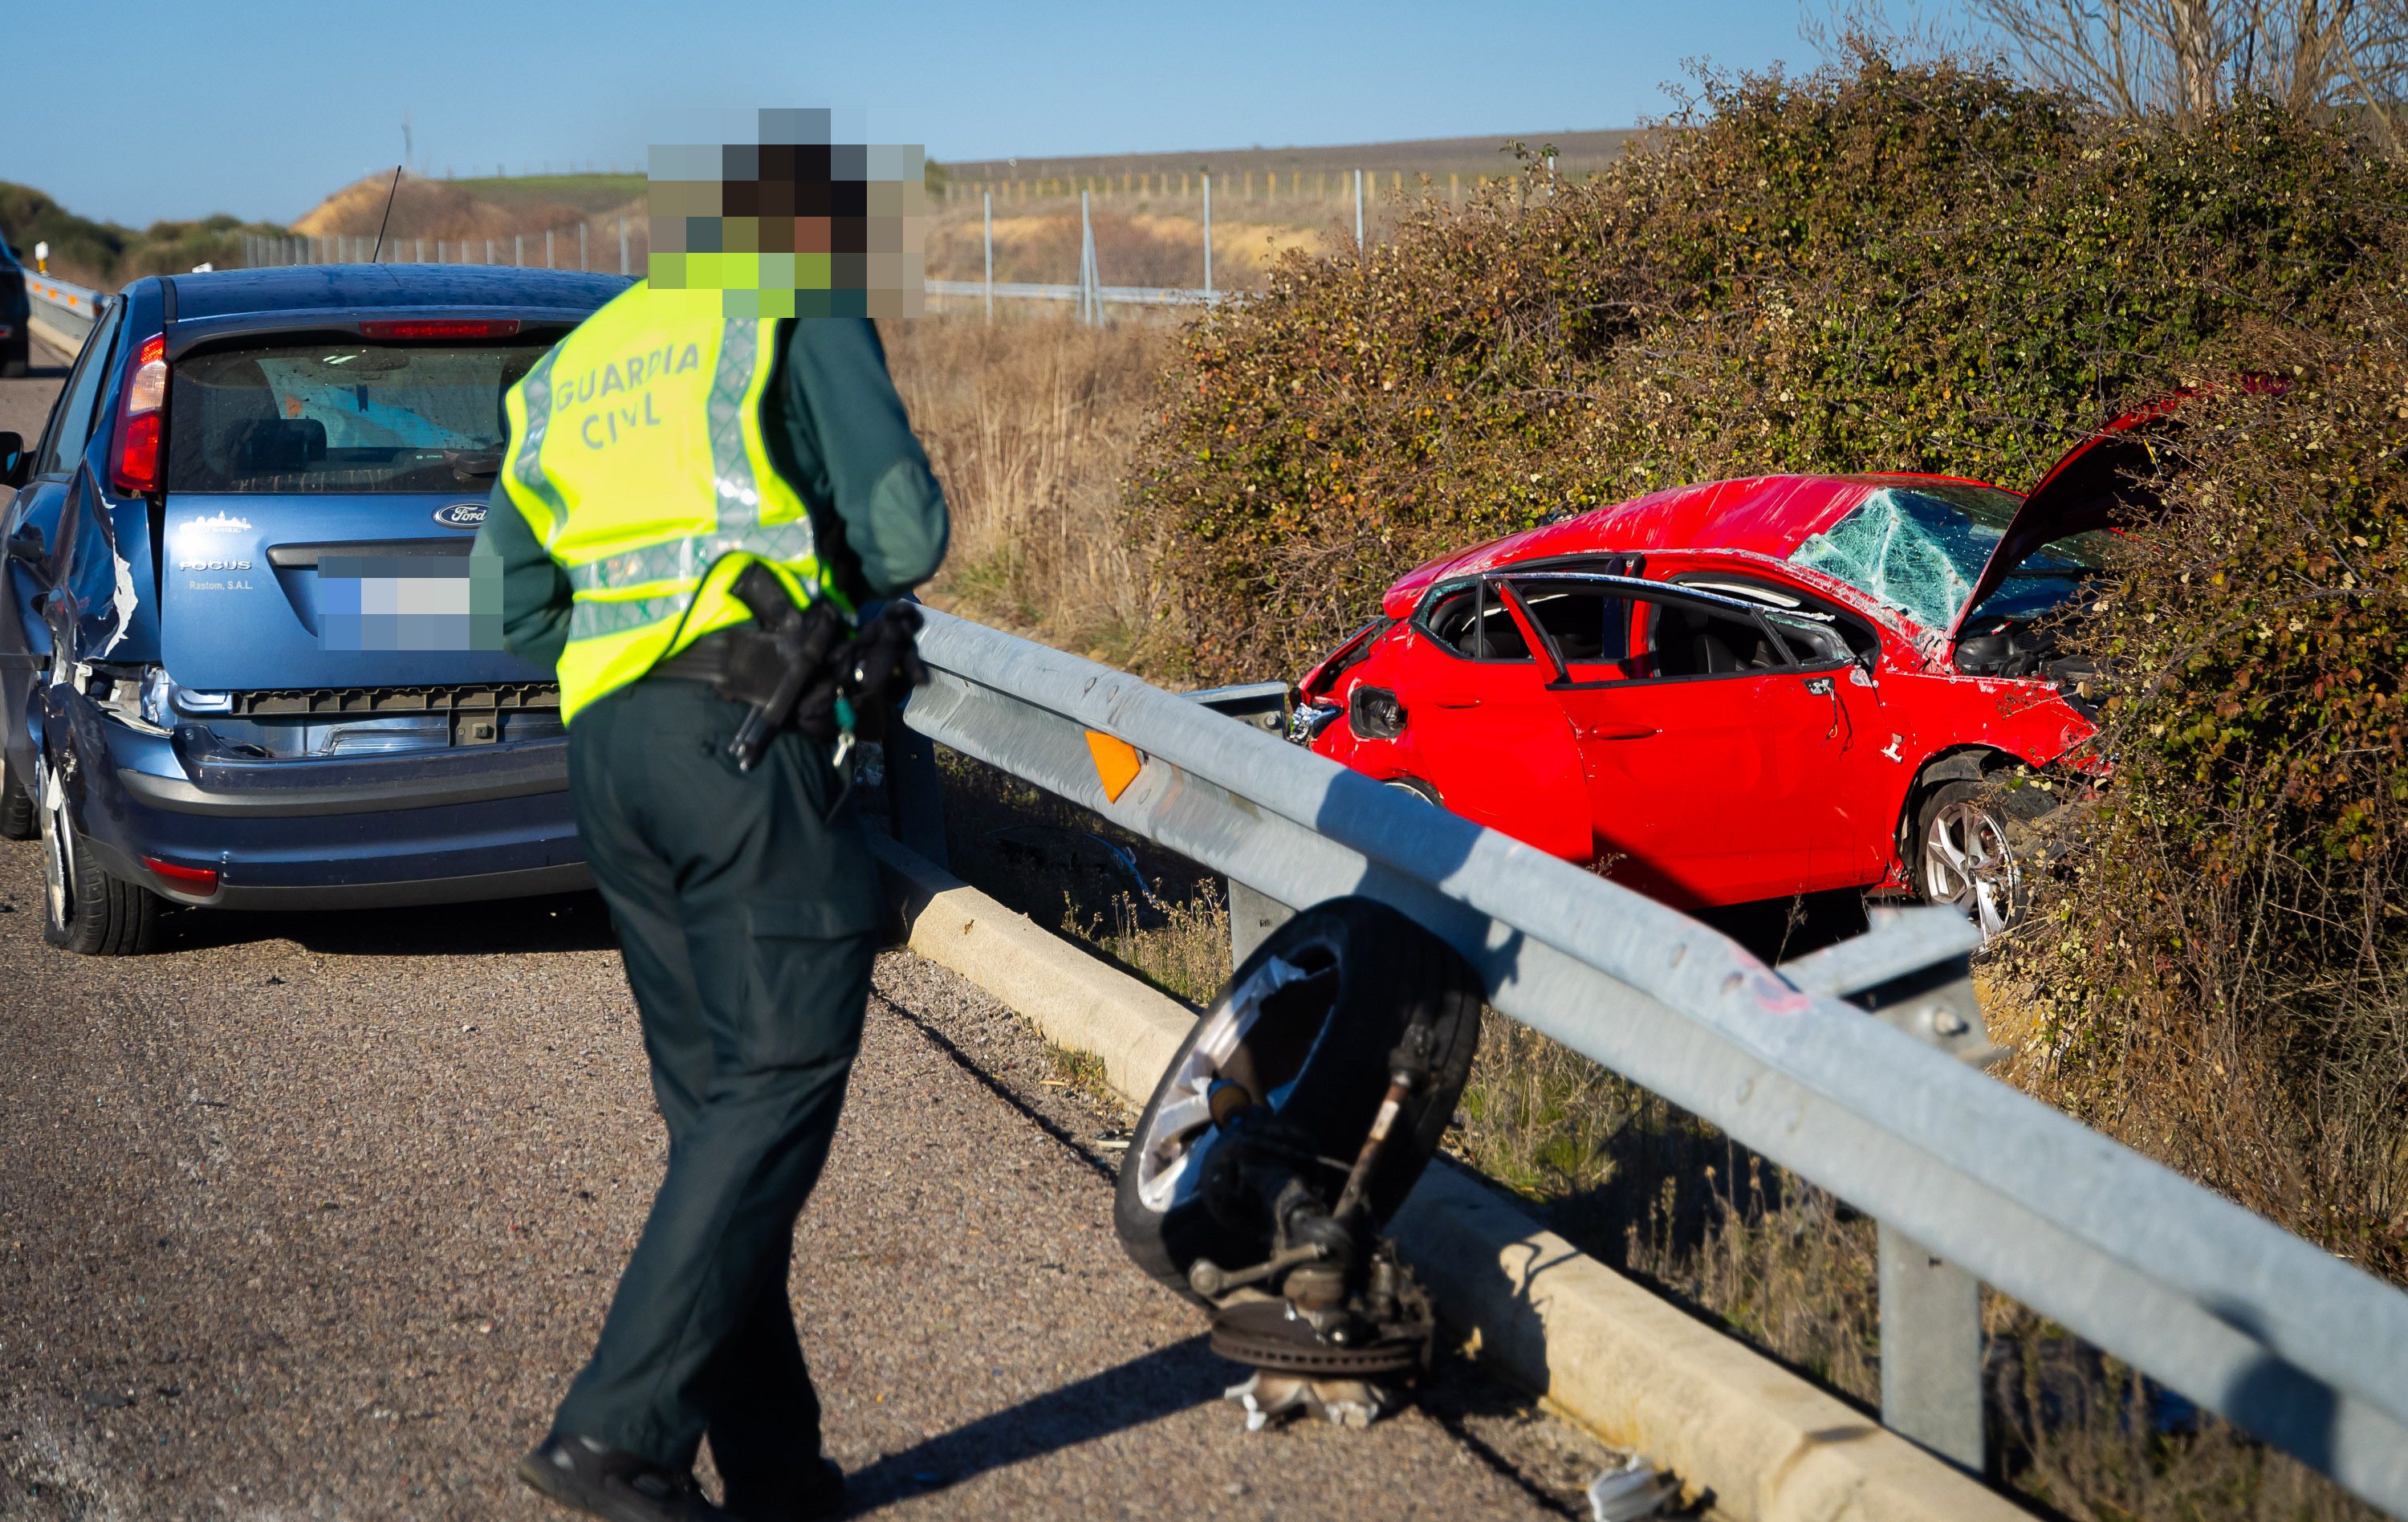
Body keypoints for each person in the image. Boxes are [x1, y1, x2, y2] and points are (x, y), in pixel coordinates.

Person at [474, 282, 949, 1522]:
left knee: (721, 1122)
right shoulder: (797, 303)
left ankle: (774, 1473)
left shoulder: (581, 358)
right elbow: (904, 536)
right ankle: (613, 1438)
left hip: (610, 756)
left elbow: (510, 607)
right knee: (780, 1076)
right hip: (745, 739)